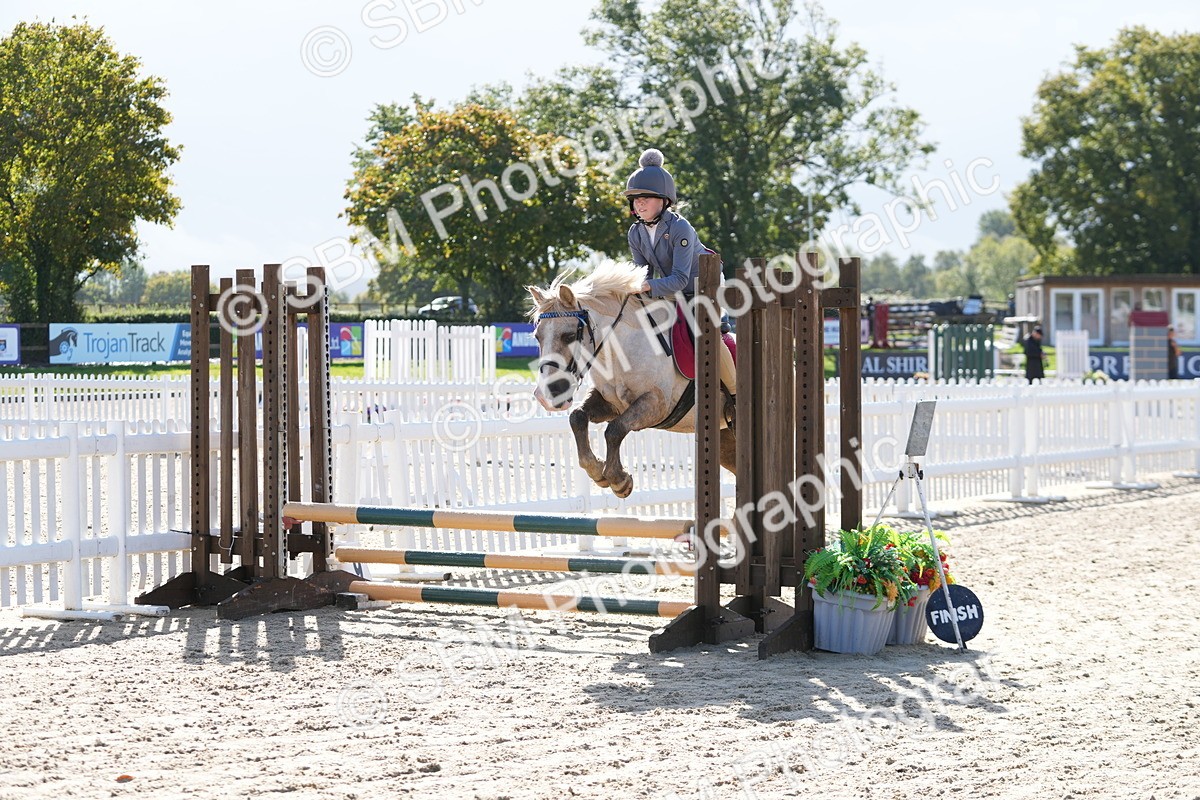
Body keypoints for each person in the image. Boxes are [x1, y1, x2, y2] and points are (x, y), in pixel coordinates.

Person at [624, 148, 735, 393]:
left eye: (646, 197)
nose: (639, 202)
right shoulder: (636, 232)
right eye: (635, 198)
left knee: (708, 331)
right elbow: (643, 274)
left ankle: (736, 394)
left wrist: (647, 286)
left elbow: (681, 278)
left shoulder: (680, 228)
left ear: (664, 201)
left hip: (705, 284)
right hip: (673, 288)